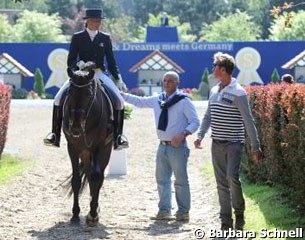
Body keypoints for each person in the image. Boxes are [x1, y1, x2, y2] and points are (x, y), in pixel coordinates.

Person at [194, 52, 262, 231]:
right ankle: (225, 221)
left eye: (215, 66)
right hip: (216, 143)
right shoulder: (214, 90)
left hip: (234, 143)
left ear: (223, 69)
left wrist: (256, 146)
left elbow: (248, 121)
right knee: (221, 183)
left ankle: (239, 213)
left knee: (232, 177)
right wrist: (200, 135)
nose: (213, 69)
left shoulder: (239, 92)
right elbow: (208, 116)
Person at [43, 8, 128, 150]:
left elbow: (111, 61)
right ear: (87, 21)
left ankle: (118, 137)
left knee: (119, 101)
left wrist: (118, 78)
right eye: (95, 21)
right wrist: (78, 64)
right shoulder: (77, 37)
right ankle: (55, 135)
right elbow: (70, 60)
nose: (98, 23)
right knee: (58, 99)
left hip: (98, 73)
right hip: (80, 75)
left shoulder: (105, 38)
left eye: (99, 21)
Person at [121, 71, 200, 221]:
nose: (167, 83)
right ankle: (164, 211)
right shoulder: (158, 99)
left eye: (170, 80)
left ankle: (183, 212)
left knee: (180, 181)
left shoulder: (184, 101)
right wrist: (121, 94)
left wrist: (183, 134)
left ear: (177, 83)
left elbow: (195, 122)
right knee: (162, 180)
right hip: (162, 146)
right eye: (165, 80)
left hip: (178, 146)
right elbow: (140, 101)